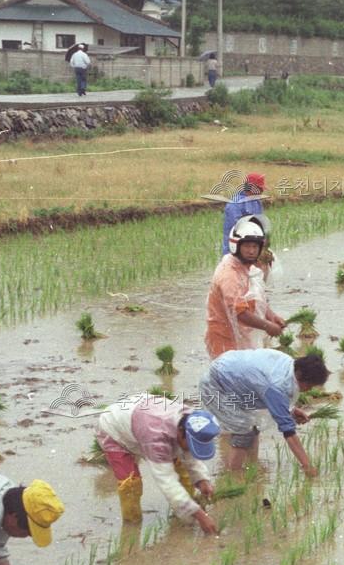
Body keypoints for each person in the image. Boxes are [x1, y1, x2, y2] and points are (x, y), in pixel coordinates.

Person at [96, 394, 221, 533]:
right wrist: (200, 515)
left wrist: (202, 480)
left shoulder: (193, 419)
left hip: (142, 414)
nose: (191, 450)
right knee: (130, 482)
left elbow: (190, 455)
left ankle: (185, 510)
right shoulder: (156, 438)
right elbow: (167, 482)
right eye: (191, 445)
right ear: (180, 433)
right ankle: (132, 526)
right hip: (113, 429)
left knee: (181, 468)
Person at [200, 349, 330, 473]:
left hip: (230, 372)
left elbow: (269, 393)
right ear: (300, 375)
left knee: (253, 428)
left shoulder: (288, 365)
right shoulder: (277, 386)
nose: (308, 390)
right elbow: (289, 432)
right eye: (309, 385)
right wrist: (307, 466)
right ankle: (234, 475)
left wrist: (290, 410)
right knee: (243, 432)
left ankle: (252, 467)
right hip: (217, 384)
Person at [205, 219, 287, 359]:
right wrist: (268, 326)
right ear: (235, 246)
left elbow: (255, 299)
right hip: (224, 339)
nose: (251, 251)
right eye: (247, 246)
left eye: (255, 247)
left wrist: (271, 316)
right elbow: (240, 313)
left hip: (242, 336)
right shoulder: (229, 274)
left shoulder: (247, 270)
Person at [221, 173, 266, 256]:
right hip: (235, 247)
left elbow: (260, 222)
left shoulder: (257, 202)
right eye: (260, 189)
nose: (261, 192)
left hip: (252, 247)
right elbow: (236, 228)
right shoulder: (235, 204)